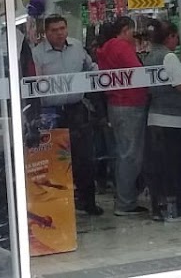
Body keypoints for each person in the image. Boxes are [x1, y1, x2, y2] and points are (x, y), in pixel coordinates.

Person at [31, 15, 103, 215]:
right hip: (51, 112)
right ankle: (58, 206)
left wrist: (97, 77)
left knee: (84, 157)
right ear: (46, 33)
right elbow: (33, 82)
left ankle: (87, 201)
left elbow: (90, 67)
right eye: (54, 30)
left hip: (76, 109)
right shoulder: (37, 54)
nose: (59, 33)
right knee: (55, 159)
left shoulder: (77, 47)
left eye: (62, 28)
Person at [143, 21, 181, 223]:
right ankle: (176, 210)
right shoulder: (169, 56)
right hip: (174, 120)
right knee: (176, 168)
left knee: (161, 167)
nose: (177, 41)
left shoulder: (150, 57)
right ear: (170, 37)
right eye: (176, 37)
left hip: (155, 117)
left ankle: (160, 209)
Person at [96, 17, 149, 216]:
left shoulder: (105, 48)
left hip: (115, 104)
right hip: (130, 103)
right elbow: (138, 72)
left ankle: (124, 198)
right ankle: (125, 203)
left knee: (122, 153)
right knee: (130, 155)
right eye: (132, 32)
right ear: (125, 30)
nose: (134, 37)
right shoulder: (121, 46)